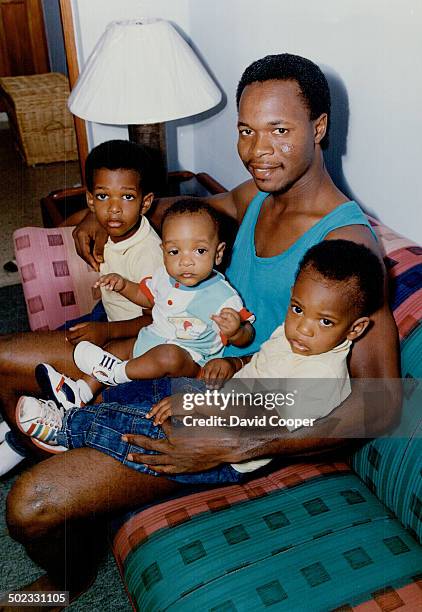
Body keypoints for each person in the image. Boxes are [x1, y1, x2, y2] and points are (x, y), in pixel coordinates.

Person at [1, 53, 400, 605]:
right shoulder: (257, 194)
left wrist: (234, 444)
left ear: (320, 128)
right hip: (176, 346)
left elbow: (382, 403)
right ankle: (59, 456)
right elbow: (173, 208)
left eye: (279, 131)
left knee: (28, 506)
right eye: (246, 131)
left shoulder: (350, 249)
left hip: (230, 410)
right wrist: (102, 215)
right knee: (3, 357)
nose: (258, 151)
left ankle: (66, 583)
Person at [16, 239, 384, 484]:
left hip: (227, 446)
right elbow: (265, 360)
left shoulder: (321, 375)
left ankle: (69, 427)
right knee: (149, 391)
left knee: (141, 434)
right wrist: (236, 366)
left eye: (324, 321)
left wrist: (197, 407)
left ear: (356, 329)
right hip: (224, 400)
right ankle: (84, 395)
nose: (302, 328)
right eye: (298, 308)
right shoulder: (300, 339)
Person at [17, 199, 254, 445]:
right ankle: (79, 392)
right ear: (163, 252)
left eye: (200, 251)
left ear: (218, 253)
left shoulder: (223, 296)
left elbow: (248, 334)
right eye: (174, 251)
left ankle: (116, 373)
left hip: (190, 361)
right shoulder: (164, 276)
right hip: (150, 338)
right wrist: (122, 285)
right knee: (115, 349)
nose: (186, 261)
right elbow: (146, 297)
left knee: (167, 356)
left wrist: (236, 330)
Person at [0, 138, 164, 470]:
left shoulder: (151, 253)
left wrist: (105, 331)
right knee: (48, 355)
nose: (114, 209)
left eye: (127, 198)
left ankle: (21, 441)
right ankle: (18, 424)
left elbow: (157, 318)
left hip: (139, 339)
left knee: (76, 379)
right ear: (90, 199)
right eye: (103, 197)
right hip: (108, 316)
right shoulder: (110, 228)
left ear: (145, 202)